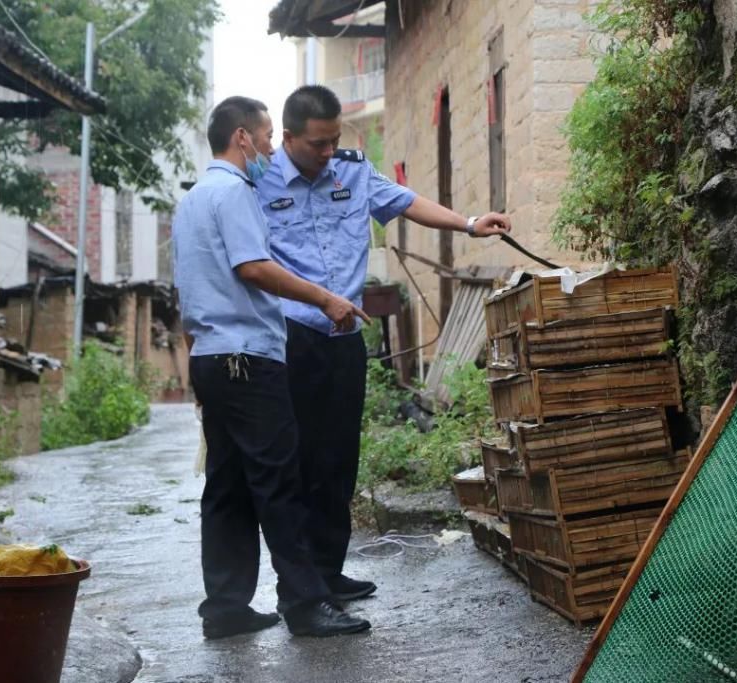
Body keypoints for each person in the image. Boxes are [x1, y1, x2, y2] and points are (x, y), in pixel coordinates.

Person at [255, 85, 513, 605]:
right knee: (298, 462)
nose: (328, 153)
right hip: (291, 338)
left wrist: (468, 223)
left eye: (334, 141)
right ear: (287, 138)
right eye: (317, 144)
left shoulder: (351, 170)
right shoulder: (257, 181)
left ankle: (329, 571)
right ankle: (300, 587)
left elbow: (407, 201)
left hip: (345, 337)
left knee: (338, 459)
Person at [172, 95, 374, 639]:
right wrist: (325, 298)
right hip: (248, 359)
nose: (268, 147)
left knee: (228, 484)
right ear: (241, 137)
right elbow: (255, 268)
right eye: (264, 137)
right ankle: (306, 604)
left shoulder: (192, 200)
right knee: (279, 482)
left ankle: (226, 606)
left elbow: (188, 292)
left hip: (211, 357)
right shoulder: (236, 193)